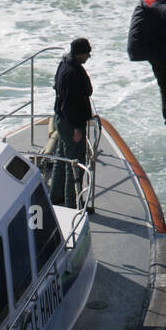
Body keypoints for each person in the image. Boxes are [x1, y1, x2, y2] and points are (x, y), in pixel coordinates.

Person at [51, 37, 93, 207]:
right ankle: (73, 203)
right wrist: (76, 128)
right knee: (74, 165)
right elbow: (70, 104)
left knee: (62, 159)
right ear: (80, 54)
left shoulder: (63, 64)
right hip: (71, 124)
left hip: (61, 120)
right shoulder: (73, 73)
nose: (88, 57)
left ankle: (55, 195)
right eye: (87, 54)